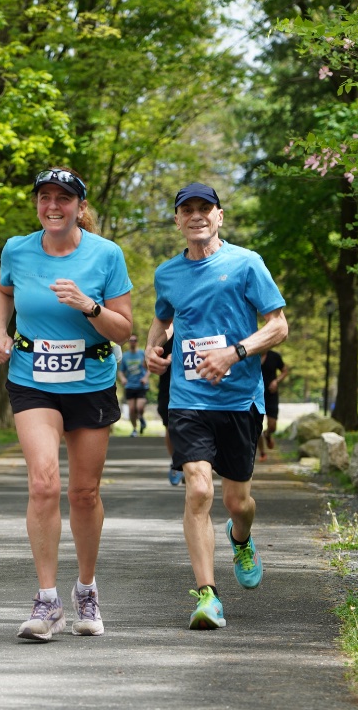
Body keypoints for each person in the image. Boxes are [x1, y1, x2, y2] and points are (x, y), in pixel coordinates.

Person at [0, 167, 134, 641]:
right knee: (44, 483)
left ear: (79, 206)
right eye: (45, 197)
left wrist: (88, 306)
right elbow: (2, 289)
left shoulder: (106, 255)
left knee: (84, 493)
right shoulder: (17, 248)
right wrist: (0, 332)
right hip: (33, 379)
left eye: (64, 198)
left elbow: (123, 330)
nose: (53, 206)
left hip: (90, 380)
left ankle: (86, 589)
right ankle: (47, 600)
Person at [145, 181, 288, 631]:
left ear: (219, 216)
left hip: (240, 398)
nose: (196, 216)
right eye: (187, 210)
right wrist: (154, 349)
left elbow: (278, 326)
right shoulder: (168, 273)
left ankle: (240, 537)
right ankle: (207, 595)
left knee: (237, 500)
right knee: (200, 490)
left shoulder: (247, 264)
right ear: (177, 220)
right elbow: (164, 318)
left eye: (205, 208)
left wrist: (234, 353)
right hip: (188, 398)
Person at [155, 332, 182, 487]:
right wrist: (163, 361)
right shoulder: (164, 332)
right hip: (169, 387)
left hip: (198, 387)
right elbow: (149, 363)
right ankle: (176, 463)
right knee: (170, 426)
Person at [258, 350, 290, 459]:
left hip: (271, 395)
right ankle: (262, 453)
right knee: (256, 426)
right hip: (256, 395)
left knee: (272, 426)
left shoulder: (275, 356)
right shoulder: (252, 355)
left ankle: (267, 434)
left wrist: (276, 381)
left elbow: (285, 371)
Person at [117, 335, 148, 436]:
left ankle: (141, 418)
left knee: (139, 408)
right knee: (131, 409)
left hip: (141, 385)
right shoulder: (125, 356)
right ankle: (134, 429)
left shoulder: (142, 354)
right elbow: (121, 372)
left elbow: (150, 368)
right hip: (130, 385)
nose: (133, 342)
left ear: (137, 342)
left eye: (134, 340)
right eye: (131, 340)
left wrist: (145, 378)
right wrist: (123, 379)